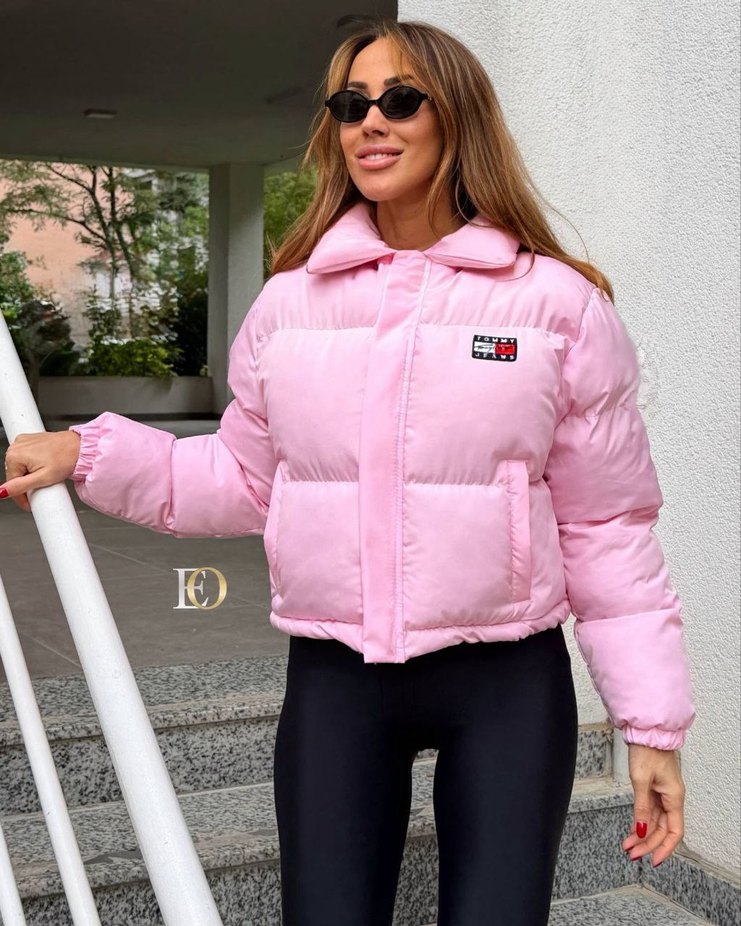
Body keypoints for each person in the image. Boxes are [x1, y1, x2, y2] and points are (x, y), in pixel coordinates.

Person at [1, 17, 696, 926]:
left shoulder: (555, 305)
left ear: (458, 119)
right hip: (338, 683)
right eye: (350, 103)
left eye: (401, 100)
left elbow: (606, 527)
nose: (371, 121)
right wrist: (89, 453)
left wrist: (650, 727)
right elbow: (241, 478)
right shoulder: (290, 305)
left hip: (506, 687)